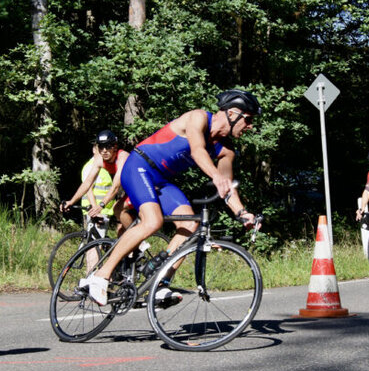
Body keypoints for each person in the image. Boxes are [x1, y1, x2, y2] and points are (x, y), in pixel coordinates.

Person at [78, 90, 260, 306]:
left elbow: (227, 187)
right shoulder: (198, 117)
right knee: (152, 221)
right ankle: (100, 276)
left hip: (161, 180)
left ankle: (160, 283)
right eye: (248, 120)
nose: (250, 127)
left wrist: (242, 212)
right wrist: (216, 176)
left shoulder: (226, 150)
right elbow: (197, 151)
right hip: (139, 165)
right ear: (233, 113)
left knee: (190, 225)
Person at [60, 129, 133, 234]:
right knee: (120, 232)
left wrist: (101, 205)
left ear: (115, 147)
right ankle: (136, 248)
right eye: (101, 147)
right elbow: (87, 182)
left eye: (108, 146)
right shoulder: (99, 159)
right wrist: (71, 201)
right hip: (130, 189)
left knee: (117, 208)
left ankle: (139, 239)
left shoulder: (122, 156)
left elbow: (116, 186)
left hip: (143, 185)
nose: (104, 150)